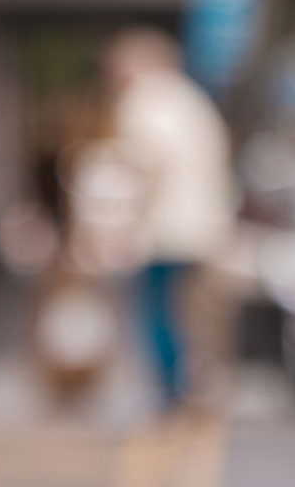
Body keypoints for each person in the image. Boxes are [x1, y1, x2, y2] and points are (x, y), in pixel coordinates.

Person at [104, 26, 238, 413]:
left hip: (164, 228)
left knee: (159, 312)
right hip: (206, 224)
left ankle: (172, 390)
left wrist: (122, 226)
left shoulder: (141, 101)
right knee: (196, 313)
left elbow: (147, 167)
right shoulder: (192, 100)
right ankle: (201, 382)